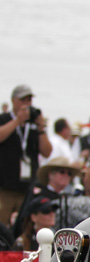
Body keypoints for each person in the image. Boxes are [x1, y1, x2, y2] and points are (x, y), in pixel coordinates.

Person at [0, 85, 52, 228]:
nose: (27, 103)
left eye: (29, 100)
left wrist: (41, 128)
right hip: (5, 187)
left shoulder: (33, 125)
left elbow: (47, 151)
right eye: (23, 100)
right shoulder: (4, 119)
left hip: (27, 187)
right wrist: (18, 121)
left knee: (24, 228)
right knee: (2, 225)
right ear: (14, 100)